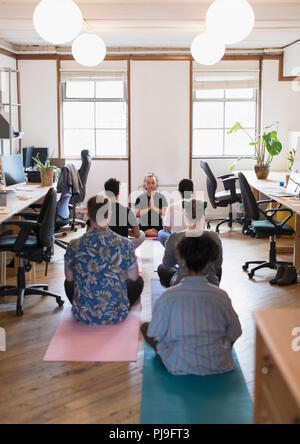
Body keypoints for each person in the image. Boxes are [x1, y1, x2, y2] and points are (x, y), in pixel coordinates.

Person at [141, 233, 242, 376]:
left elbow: (154, 333)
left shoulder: (167, 297)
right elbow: (236, 332)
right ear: (210, 262)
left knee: (146, 327)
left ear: (181, 260)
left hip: (178, 364)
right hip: (219, 363)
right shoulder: (221, 296)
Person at [64, 194, 144, 325]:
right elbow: (133, 277)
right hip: (116, 313)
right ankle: (126, 304)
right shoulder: (125, 244)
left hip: (83, 313)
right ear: (109, 215)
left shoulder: (73, 245)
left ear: (88, 216)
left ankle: (82, 304)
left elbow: (69, 278)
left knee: (67, 284)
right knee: (139, 281)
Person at [157, 198, 223, 288]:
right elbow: (218, 264)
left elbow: (167, 264)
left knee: (162, 268)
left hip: (182, 283)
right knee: (218, 269)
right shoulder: (214, 236)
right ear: (203, 214)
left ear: (185, 214)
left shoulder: (175, 237)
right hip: (209, 282)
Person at [104, 177, 145, 249]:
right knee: (142, 234)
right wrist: (126, 231)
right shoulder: (127, 210)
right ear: (118, 192)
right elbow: (137, 234)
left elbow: (88, 231)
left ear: (105, 193)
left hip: (104, 245)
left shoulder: (98, 209)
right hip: (121, 245)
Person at [158, 178, 194, 247]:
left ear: (178, 191)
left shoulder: (171, 207)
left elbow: (165, 228)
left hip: (177, 242)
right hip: (193, 242)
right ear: (192, 191)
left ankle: (175, 249)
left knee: (161, 233)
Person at [134, 173, 168, 237]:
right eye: (148, 183)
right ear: (145, 184)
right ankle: (151, 233)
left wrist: (154, 208)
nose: (151, 185)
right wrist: (149, 208)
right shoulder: (140, 197)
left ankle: (150, 233)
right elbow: (136, 214)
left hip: (157, 226)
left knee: (163, 229)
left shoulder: (161, 197)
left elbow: (165, 213)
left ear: (156, 184)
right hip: (143, 226)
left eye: (153, 183)